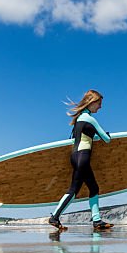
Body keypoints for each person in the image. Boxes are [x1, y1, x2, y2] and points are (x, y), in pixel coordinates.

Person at [48, 90, 113, 231]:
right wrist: (106, 135)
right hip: (83, 157)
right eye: (99, 103)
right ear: (91, 102)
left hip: (76, 156)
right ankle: (54, 216)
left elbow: (77, 139)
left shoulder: (78, 120)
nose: (100, 107)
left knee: (93, 187)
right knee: (74, 190)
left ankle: (96, 221)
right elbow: (106, 139)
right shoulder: (90, 119)